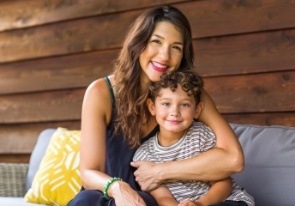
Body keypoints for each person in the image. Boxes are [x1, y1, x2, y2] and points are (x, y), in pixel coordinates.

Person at [68, 5, 244, 206]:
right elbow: (89, 172)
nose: (164, 56)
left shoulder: (189, 95)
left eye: (176, 47)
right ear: (139, 43)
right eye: (156, 42)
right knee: (86, 200)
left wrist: (161, 171)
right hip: (109, 194)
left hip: (156, 199)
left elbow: (234, 159)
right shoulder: (101, 92)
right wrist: (118, 187)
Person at [133, 70, 254, 206]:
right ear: (152, 107)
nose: (174, 112)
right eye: (166, 104)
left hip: (224, 200)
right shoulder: (144, 155)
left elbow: (224, 183)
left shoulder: (201, 136)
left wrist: (200, 204)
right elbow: (163, 198)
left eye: (184, 104)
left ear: (197, 110)